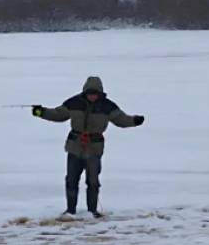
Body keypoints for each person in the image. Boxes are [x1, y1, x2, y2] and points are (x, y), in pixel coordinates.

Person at [32, 76, 145, 217]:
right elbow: (58, 115)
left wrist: (134, 121)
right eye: (90, 93)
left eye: (95, 93)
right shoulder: (74, 102)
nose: (92, 96)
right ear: (85, 92)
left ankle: (92, 211)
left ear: (100, 93)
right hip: (74, 146)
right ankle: (70, 211)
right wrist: (40, 112)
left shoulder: (108, 106)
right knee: (71, 180)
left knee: (93, 181)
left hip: (94, 148)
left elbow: (121, 119)